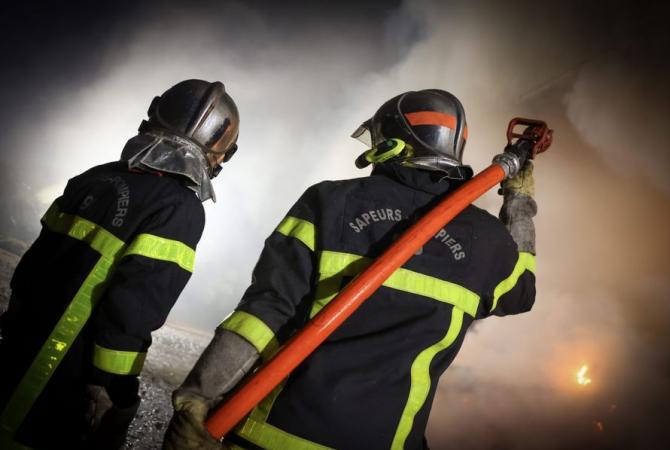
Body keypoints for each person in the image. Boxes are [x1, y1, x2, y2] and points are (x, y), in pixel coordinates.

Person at [163, 89, 537, 450]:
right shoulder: (487, 242)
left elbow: (265, 310)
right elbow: (522, 291)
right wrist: (519, 200)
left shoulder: (329, 202)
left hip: (270, 433)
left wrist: (199, 395)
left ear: (393, 145)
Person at [0, 79, 240, 450]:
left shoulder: (93, 177)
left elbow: (32, 267)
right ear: (218, 153)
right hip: (66, 378)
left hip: (16, 348)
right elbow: (132, 312)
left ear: (153, 116)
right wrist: (114, 391)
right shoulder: (180, 209)